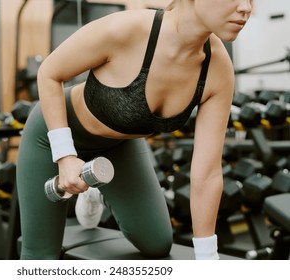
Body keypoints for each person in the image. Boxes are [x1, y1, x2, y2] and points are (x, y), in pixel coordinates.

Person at [16, 0, 253, 260]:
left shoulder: (217, 69)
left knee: (158, 244)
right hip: (52, 136)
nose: (246, 8)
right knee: (40, 257)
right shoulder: (127, 30)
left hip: (119, 145)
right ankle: (87, 177)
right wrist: (65, 155)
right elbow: (49, 72)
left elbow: (206, 174)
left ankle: (96, 189)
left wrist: (207, 260)